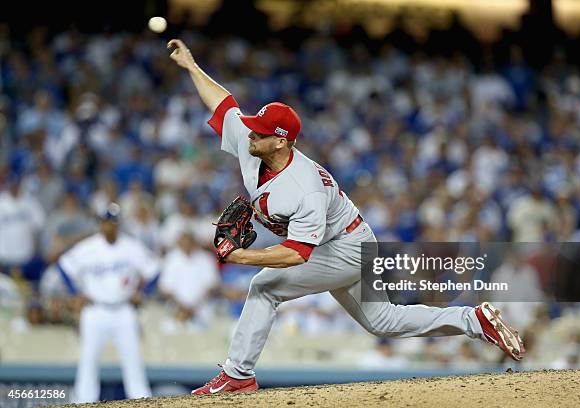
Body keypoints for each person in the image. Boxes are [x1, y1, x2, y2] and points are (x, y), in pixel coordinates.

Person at [168, 39, 525, 395]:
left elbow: (296, 255)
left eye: (259, 130)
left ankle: (238, 375)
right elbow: (225, 104)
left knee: (264, 286)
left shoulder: (303, 186)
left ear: (280, 142)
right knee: (384, 321)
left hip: (346, 248)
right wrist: (191, 65)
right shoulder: (254, 143)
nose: (250, 130)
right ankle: (474, 320)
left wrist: (241, 256)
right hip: (349, 239)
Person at [56, 203, 158, 403]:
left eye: (112, 222)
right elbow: (64, 266)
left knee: (133, 361)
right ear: (100, 224)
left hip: (124, 310)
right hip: (95, 309)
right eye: (105, 222)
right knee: (88, 361)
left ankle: (141, 401)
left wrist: (142, 292)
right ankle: (83, 402)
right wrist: (75, 293)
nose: (109, 226)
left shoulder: (131, 246)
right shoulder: (88, 247)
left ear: (117, 223)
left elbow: (154, 270)